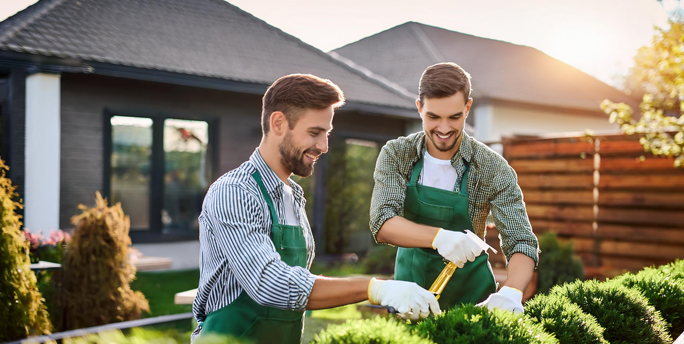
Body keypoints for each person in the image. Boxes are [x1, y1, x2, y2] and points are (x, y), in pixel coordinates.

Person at [192, 74, 440, 343]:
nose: (323, 146)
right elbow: (269, 283)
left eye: (327, 133)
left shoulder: (293, 196)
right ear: (278, 123)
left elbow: (299, 281)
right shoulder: (235, 192)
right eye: (314, 133)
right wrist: (375, 289)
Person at [370, 62, 539, 314]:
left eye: (454, 117)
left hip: (472, 303)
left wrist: (512, 291)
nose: (444, 128)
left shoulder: (492, 168)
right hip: (408, 300)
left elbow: (521, 242)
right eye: (433, 117)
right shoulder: (398, 154)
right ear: (419, 108)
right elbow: (382, 223)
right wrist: (439, 238)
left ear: (467, 108)